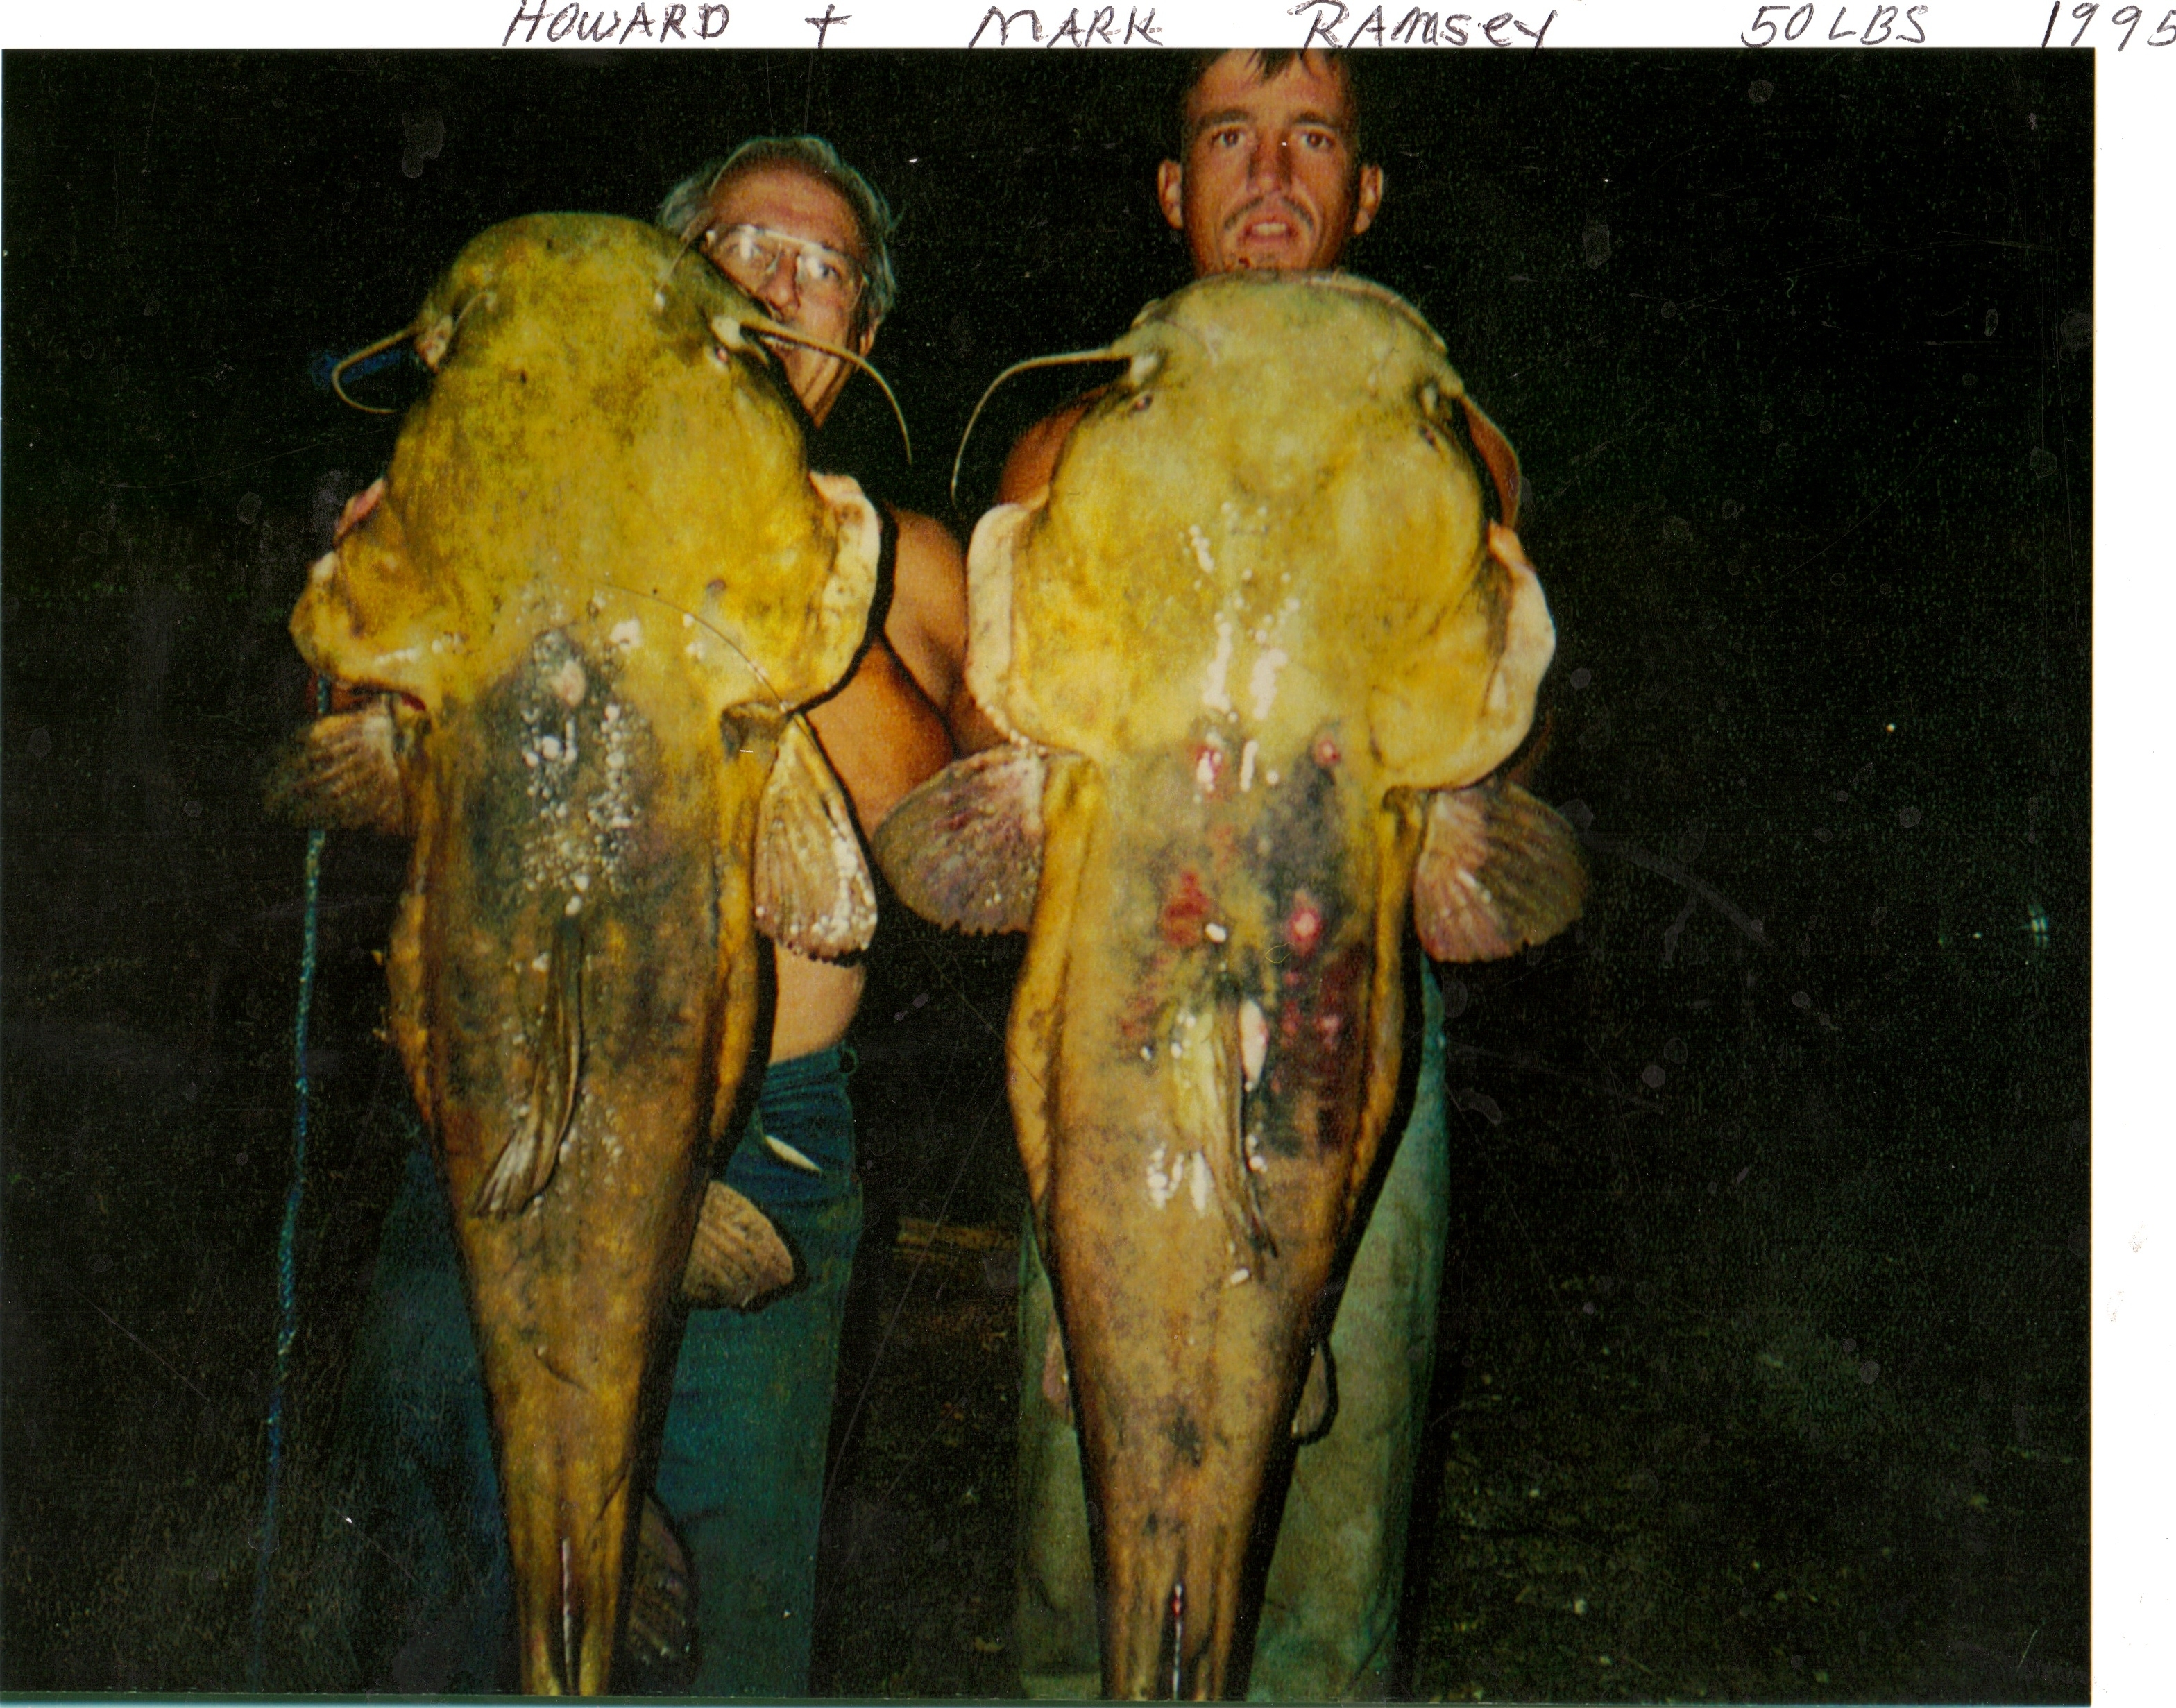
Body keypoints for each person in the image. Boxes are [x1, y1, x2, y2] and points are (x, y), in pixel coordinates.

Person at [302, 135, 965, 1696]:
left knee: (726, 1632)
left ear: (861, 339)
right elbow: (349, 756)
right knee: (441, 1610)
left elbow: (913, 834)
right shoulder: (514, 496)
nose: (782, 287)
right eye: (743, 245)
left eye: (826, 271)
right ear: (677, 283)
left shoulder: (904, 556)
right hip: (484, 1125)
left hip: (762, 1166)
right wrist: (396, 574)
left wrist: (785, 561)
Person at [998, 51, 1453, 1701]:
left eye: (1313, 138)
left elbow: (1498, 776)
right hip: (1116, 1029)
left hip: (1345, 1029)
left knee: (1324, 1577)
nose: (1270, 174)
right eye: (1227, 139)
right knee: (1083, 1551)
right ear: (1171, 190)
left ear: (1366, 193)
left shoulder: (1440, 434)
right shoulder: (1071, 439)